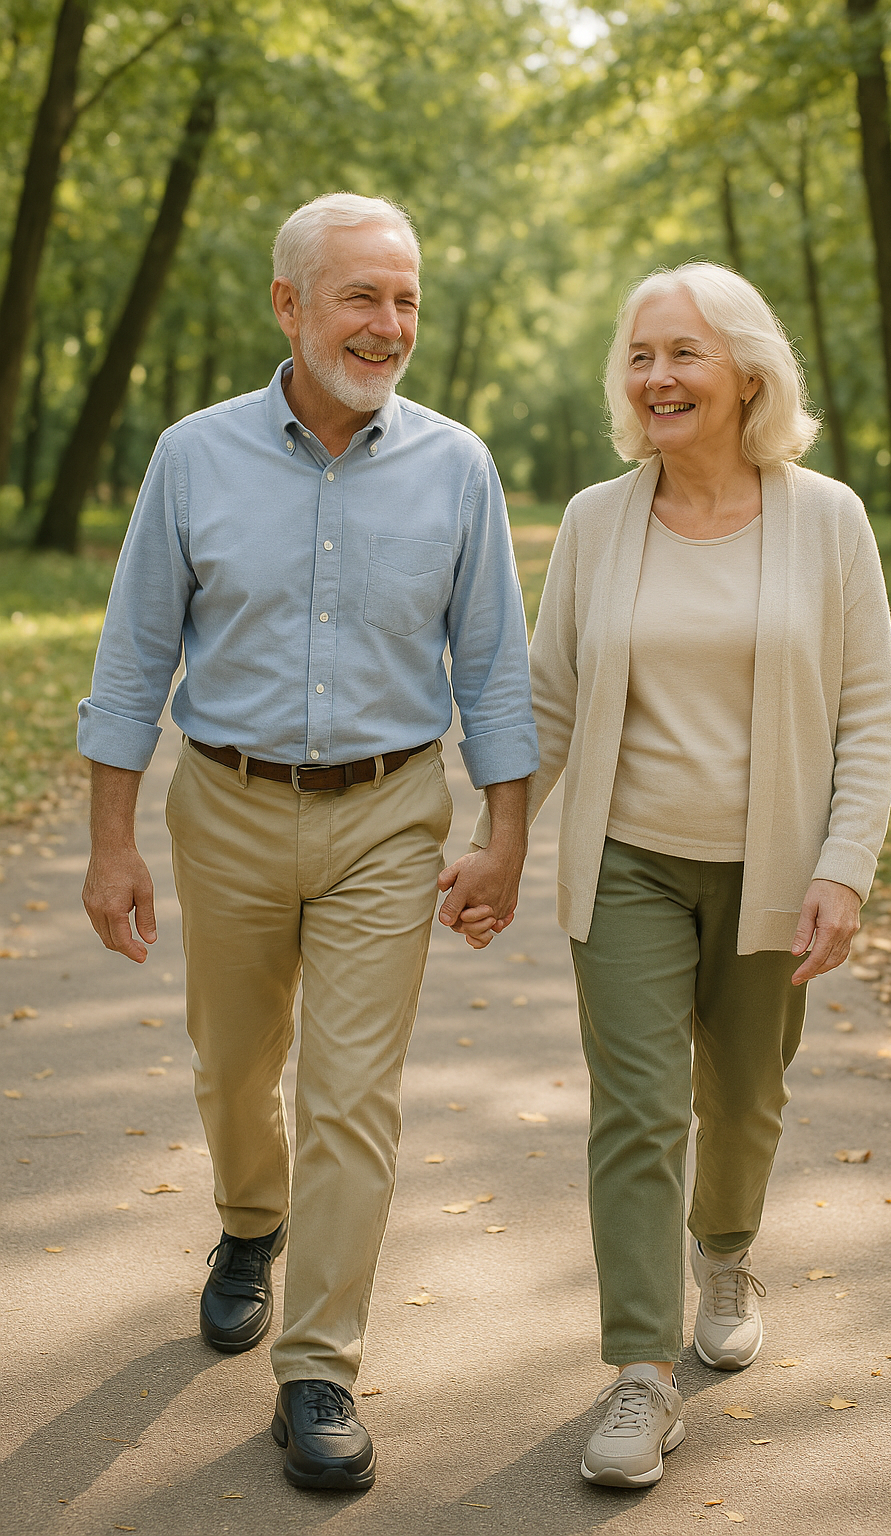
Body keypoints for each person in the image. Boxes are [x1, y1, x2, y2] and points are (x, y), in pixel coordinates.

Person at [79, 192, 537, 1491]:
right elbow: (131, 661)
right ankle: (246, 1225)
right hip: (222, 805)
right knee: (234, 1064)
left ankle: (320, 1366)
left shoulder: (459, 466)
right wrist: (110, 845)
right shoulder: (192, 456)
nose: (389, 325)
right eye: (361, 297)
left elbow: (498, 673)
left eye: (405, 299)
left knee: (352, 1095)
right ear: (289, 304)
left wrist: (504, 838)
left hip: (390, 815)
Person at [474, 261, 891, 1487]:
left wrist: (845, 866)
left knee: (746, 1100)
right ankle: (639, 1375)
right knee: (640, 1110)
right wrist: (503, 839)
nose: (656, 376)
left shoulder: (827, 519)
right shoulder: (600, 521)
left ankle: (726, 1249)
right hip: (627, 864)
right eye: (641, 356)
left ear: (747, 374)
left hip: (772, 870)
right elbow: (546, 700)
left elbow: (868, 715)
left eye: (684, 354)